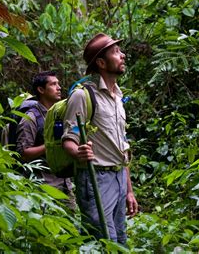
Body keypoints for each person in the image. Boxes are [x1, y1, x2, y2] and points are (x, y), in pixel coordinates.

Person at [62, 33, 139, 244]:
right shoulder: (83, 96)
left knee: (120, 241)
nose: (122, 55)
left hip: (119, 177)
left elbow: (121, 146)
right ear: (102, 62)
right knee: (102, 241)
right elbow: (69, 139)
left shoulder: (118, 98)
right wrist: (78, 152)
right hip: (96, 178)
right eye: (116, 52)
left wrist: (129, 191)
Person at [16, 71, 76, 210]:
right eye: (53, 84)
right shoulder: (30, 118)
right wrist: (51, 145)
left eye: (58, 84)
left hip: (65, 183)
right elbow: (23, 153)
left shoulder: (60, 114)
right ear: (41, 89)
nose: (59, 87)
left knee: (70, 225)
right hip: (43, 186)